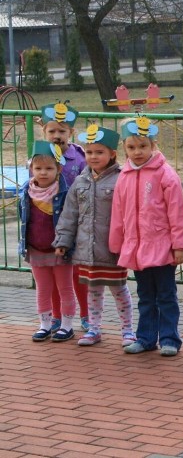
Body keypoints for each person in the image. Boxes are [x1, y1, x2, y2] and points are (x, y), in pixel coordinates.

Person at [110, 116, 183, 357]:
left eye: (143, 146)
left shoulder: (165, 174)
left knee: (166, 296)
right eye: (131, 147)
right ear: (124, 147)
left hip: (163, 247)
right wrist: (117, 244)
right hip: (136, 248)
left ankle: (169, 338)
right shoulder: (124, 176)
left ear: (154, 145)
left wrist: (180, 246)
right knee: (145, 296)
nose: (137, 152)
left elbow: (177, 212)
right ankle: (145, 338)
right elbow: (118, 212)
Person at [53, 126, 135, 347]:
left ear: (112, 154)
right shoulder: (80, 182)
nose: (93, 157)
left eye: (99, 152)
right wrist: (62, 240)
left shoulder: (122, 180)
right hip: (86, 249)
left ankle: (128, 330)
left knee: (119, 290)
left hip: (112, 249)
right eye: (89, 152)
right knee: (93, 291)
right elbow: (69, 214)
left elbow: (129, 215)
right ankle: (94, 328)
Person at [40, 102, 88, 334]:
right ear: (44, 133)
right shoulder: (39, 156)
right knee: (54, 272)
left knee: (78, 274)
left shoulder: (79, 157)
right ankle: (57, 316)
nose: (57, 136)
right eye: (52, 131)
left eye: (62, 131)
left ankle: (87, 315)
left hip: (75, 223)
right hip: (48, 223)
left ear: (71, 132)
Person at [19, 141, 75, 342]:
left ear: (59, 169)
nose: (43, 173)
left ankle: (67, 325)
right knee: (43, 288)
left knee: (65, 288)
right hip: (36, 248)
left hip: (59, 249)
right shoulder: (26, 192)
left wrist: (65, 243)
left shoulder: (64, 192)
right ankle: (45, 323)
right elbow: (25, 219)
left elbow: (70, 220)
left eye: (49, 168)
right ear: (31, 168)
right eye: (38, 168)